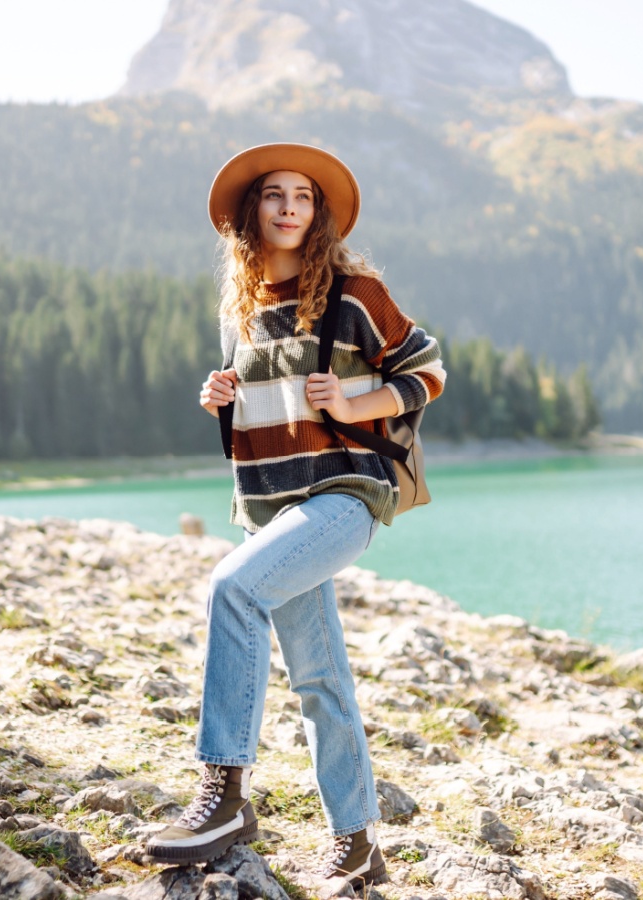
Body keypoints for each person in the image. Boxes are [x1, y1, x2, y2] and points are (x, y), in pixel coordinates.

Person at [140, 143, 446, 896]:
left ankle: (224, 796)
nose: (286, 206)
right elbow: (258, 407)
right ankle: (357, 844)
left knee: (232, 591)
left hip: (346, 494)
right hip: (270, 507)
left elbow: (428, 371)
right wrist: (218, 395)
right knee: (319, 677)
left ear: (318, 213)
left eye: (302, 196)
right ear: (252, 213)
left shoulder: (354, 292)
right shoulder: (238, 309)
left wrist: (349, 402)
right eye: (273, 195)